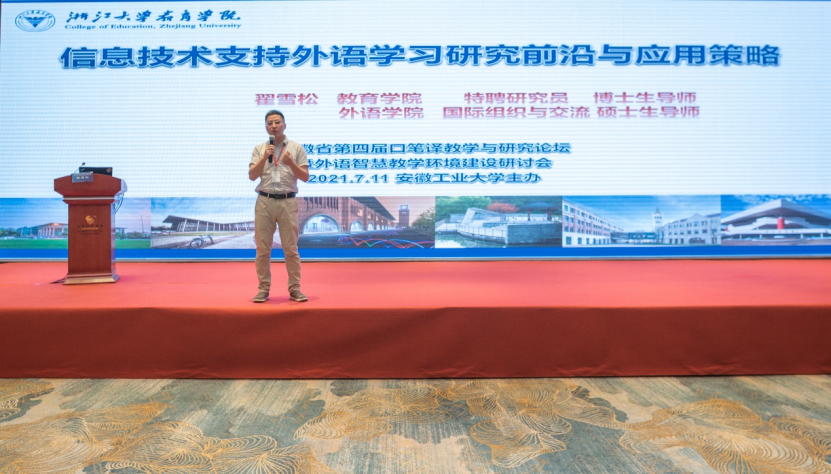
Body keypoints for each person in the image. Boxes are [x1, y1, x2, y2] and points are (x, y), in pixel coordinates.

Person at [248, 110, 309, 303]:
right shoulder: (259, 149)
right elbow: (252, 175)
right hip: (264, 201)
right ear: (266, 127)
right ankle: (263, 289)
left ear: (284, 125)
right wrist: (263, 158)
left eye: (277, 122)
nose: (273, 126)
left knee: (290, 249)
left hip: (287, 201)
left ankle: (295, 289)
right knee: (262, 249)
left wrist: (291, 163)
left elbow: (305, 177)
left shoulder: (296, 148)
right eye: (270, 123)